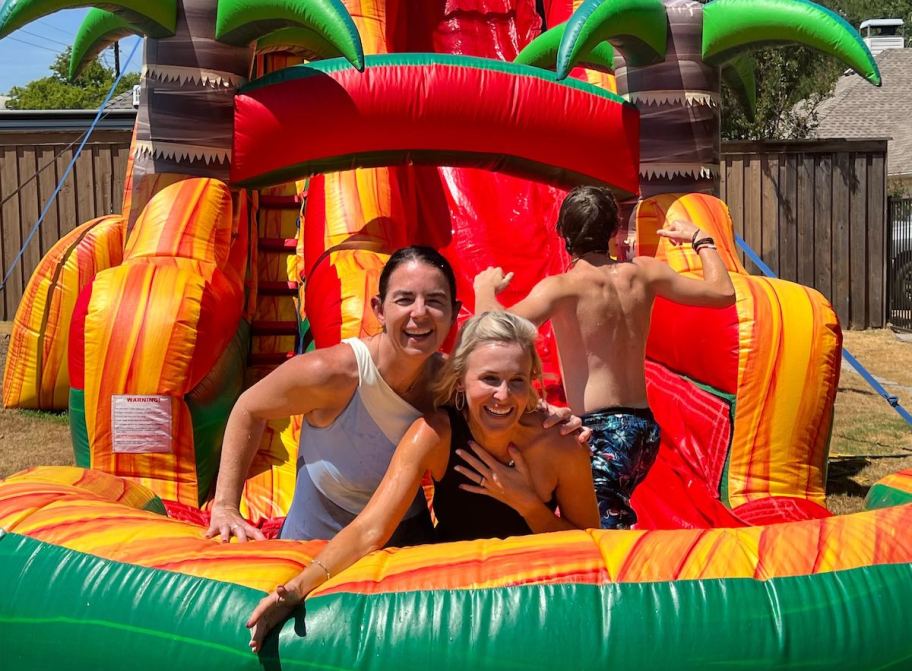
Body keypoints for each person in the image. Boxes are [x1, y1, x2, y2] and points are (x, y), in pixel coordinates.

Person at [246, 311, 599, 652]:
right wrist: (293, 589)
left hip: (535, 595)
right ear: (461, 379)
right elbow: (371, 528)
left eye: (517, 380)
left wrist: (527, 504)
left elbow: (593, 546)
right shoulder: (435, 435)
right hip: (452, 597)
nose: (503, 396)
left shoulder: (560, 446)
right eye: (489, 379)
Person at [206, 246, 588, 544]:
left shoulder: (449, 380)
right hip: (318, 534)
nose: (420, 313)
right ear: (379, 310)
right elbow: (248, 408)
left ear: (454, 313)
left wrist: (552, 416)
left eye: (434, 301)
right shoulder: (335, 373)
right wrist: (225, 505)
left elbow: (505, 394)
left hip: (407, 538)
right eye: (404, 300)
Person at [473, 186, 736, 529]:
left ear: (563, 234)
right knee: (589, 517)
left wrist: (484, 290)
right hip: (644, 432)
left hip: (603, 433)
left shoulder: (563, 287)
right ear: (614, 231)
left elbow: (491, 331)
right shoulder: (643, 273)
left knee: (598, 533)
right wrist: (702, 240)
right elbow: (723, 292)